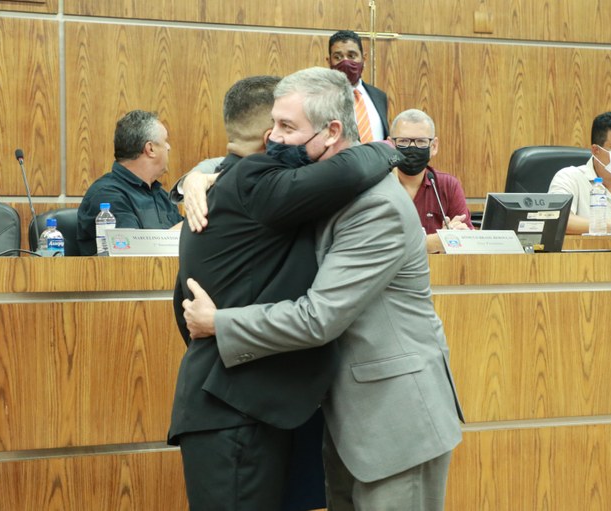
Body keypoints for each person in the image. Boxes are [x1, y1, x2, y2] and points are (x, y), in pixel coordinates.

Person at [181, 71, 463, 511]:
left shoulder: (376, 207)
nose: (272, 138)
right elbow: (252, 173)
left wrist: (218, 322)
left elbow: (319, 317)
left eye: (286, 127)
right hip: (350, 421)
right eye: (272, 125)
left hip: (395, 420)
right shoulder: (323, 186)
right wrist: (200, 177)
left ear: (331, 132)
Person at [76, 110, 183, 255]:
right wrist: (187, 227)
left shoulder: (162, 196)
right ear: (150, 149)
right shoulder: (107, 195)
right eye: (165, 141)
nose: (168, 147)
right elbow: (130, 251)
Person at [390, 109, 473, 253]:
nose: (412, 147)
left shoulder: (448, 185)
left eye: (421, 142)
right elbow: (377, 246)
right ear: (391, 145)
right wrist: (436, 242)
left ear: (433, 146)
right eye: (403, 141)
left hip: (440, 267)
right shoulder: (377, 186)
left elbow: (468, 242)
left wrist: (458, 235)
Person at [327, 30, 388, 141]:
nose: (345, 62)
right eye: (338, 57)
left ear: (364, 59)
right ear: (329, 61)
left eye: (351, 56)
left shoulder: (379, 96)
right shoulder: (321, 98)